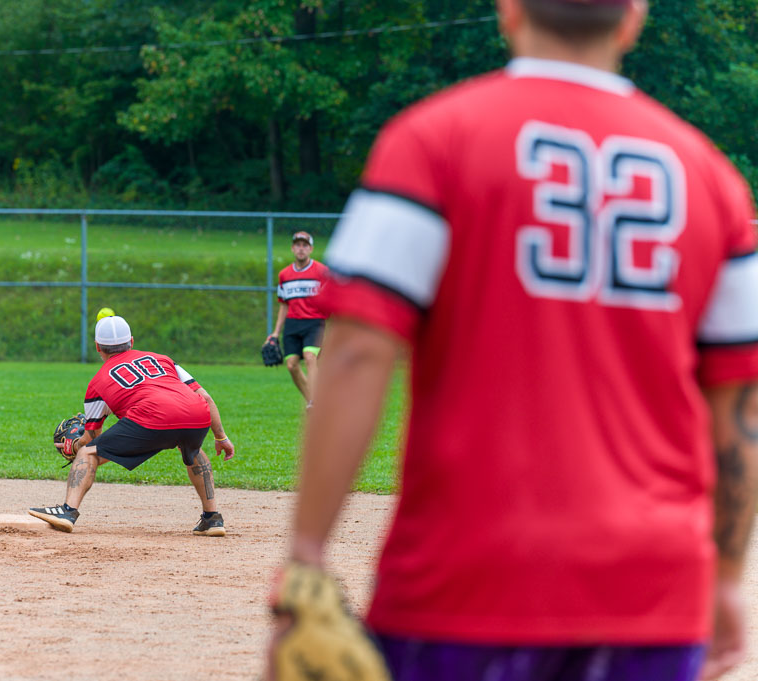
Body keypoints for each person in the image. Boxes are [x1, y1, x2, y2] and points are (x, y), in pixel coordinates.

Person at [270, 1, 758, 680]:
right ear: (633, 20)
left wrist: (307, 554)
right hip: (653, 592)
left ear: (509, 10)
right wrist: (728, 573)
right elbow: (740, 406)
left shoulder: (431, 140)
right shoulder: (715, 182)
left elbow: (355, 351)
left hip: (464, 580)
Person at [29, 314, 235, 536]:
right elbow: (205, 397)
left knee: (89, 453)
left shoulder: (98, 383)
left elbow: (92, 440)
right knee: (191, 449)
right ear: (132, 342)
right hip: (196, 413)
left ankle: (67, 512)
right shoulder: (162, 359)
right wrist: (221, 437)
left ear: (98, 347)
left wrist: (74, 447)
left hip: (152, 417)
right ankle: (212, 518)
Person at [266, 231, 329, 406]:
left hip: (314, 322)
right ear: (293, 248)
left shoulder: (322, 272)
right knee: (292, 365)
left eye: (305, 245)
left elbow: (330, 300)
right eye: (298, 245)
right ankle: (312, 400)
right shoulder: (284, 275)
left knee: (310, 357)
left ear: (311, 249)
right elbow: (284, 304)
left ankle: (315, 402)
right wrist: (276, 332)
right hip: (293, 324)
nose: (301, 249)